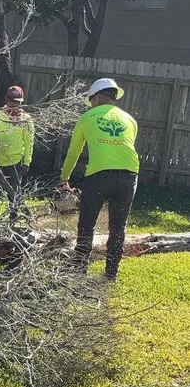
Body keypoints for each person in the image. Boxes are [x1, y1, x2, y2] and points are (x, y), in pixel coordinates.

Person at [59, 77, 139, 281]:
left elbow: (73, 151)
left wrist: (64, 177)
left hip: (99, 174)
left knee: (86, 223)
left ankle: (79, 270)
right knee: (118, 226)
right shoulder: (130, 119)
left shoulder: (87, 117)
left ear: (98, 97)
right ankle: (111, 273)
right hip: (129, 174)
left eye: (92, 100)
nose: (92, 104)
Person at [0, 85, 34, 221]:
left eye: (16, 101)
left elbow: (29, 141)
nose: (13, 104)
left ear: (21, 103)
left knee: (13, 194)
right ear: (6, 100)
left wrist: (26, 162)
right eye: (11, 100)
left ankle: (13, 220)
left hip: (15, 162)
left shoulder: (26, 119)